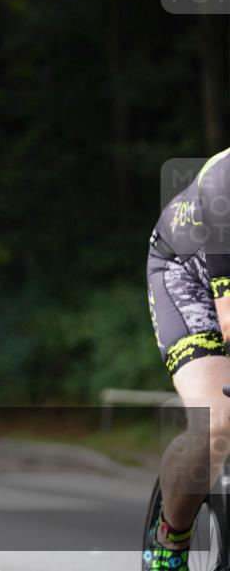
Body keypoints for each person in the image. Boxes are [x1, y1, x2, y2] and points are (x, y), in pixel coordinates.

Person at [143, 147, 230, 570]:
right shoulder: (223, 183)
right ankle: (169, 538)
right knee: (216, 424)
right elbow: (228, 321)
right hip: (186, 273)